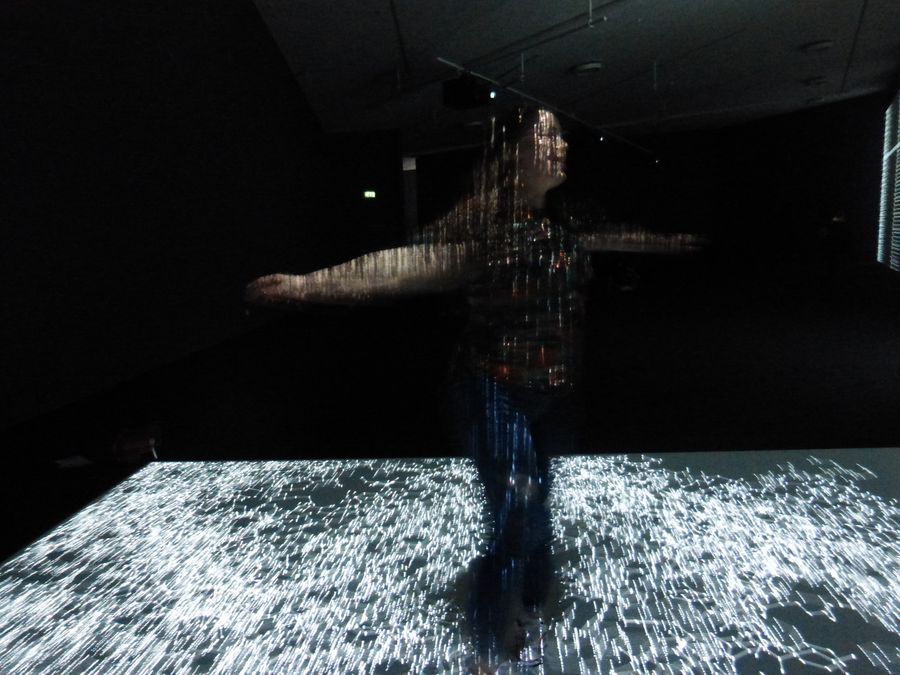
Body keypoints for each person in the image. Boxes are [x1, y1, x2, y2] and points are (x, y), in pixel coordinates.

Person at [246, 108, 585, 670]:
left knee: (536, 517)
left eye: (560, 136)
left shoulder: (559, 225)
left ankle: (526, 613)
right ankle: (487, 648)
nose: (560, 146)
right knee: (517, 510)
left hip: (551, 394)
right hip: (493, 387)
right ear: (513, 154)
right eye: (545, 136)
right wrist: (309, 285)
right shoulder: (490, 228)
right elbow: (402, 267)